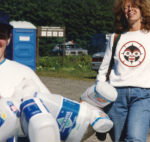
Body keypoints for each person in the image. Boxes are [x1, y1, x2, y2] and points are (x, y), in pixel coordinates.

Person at [0, 11, 113, 142]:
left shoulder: (24, 73)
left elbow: (50, 113)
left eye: (1, 35)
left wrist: (87, 117)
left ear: (9, 39)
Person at [96, 0, 150, 141]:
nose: (130, 9)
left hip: (143, 95)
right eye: (126, 7)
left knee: (135, 138)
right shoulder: (115, 37)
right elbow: (103, 68)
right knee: (119, 139)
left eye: (134, 6)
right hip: (115, 95)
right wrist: (97, 96)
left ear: (142, 10)